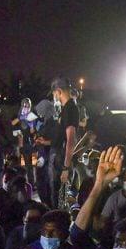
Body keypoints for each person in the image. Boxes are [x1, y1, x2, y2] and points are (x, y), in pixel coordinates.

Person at [50, 77, 81, 207]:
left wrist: (66, 167)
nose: (54, 97)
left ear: (58, 91)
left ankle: (60, 218)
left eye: (54, 94)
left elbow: (70, 140)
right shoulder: (66, 108)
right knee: (57, 195)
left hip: (62, 159)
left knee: (60, 198)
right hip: (60, 157)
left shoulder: (70, 108)